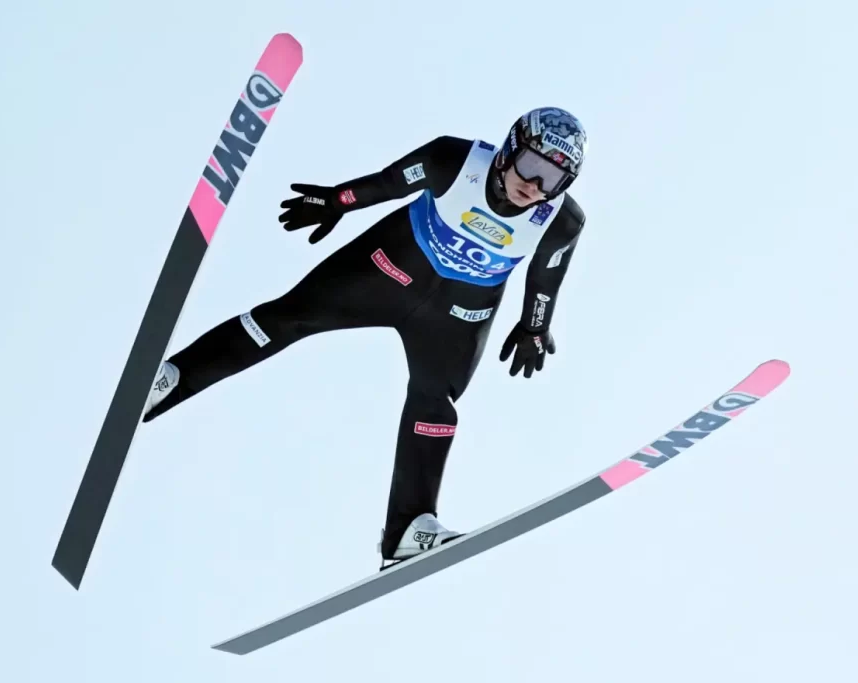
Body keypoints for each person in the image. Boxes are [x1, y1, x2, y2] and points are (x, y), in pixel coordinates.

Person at [142, 106, 588, 568]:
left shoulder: (561, 221)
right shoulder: (454, 161)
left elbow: (546, 278)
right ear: (511, 148)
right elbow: (388, 183)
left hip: (457, 313)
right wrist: (337, 201)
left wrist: (535, 326)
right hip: (387, 268)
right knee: (289, 316)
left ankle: (409, 528)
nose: (534, 185)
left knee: (435, 404)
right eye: (531, 166)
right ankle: (172, 379)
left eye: (552, 180)